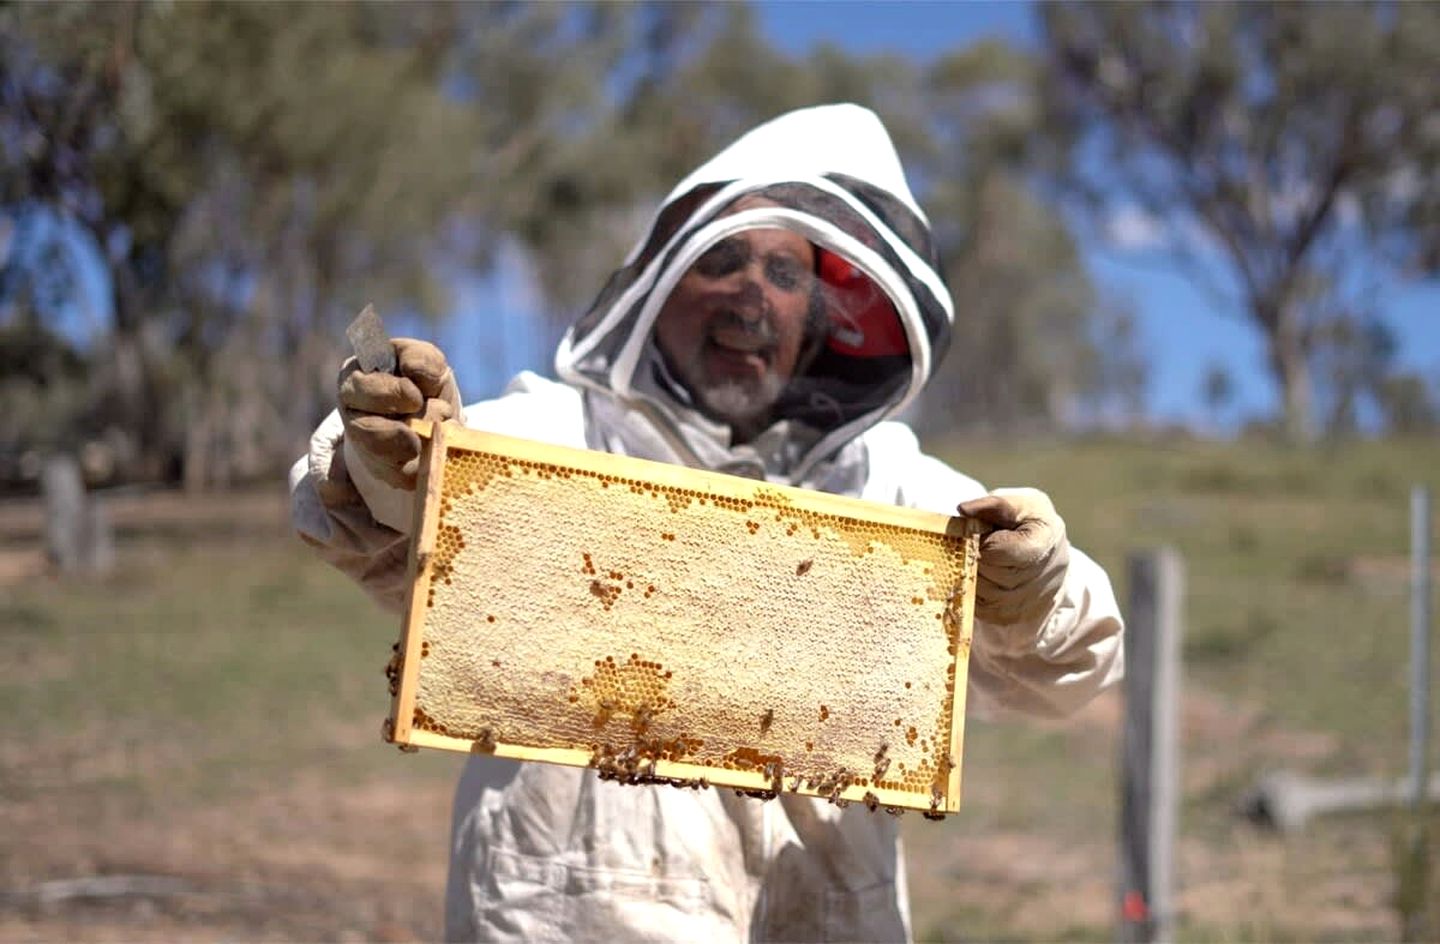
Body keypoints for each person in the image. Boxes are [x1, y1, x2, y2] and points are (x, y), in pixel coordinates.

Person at [290, 103, 1123, 942]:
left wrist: (1028, 591)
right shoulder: (559, 437)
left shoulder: (886, 486)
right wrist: (391, 464)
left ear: (825, 319)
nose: (752, 299)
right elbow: (375, 512)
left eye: (786, 275)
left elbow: (1072, 665)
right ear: (663, 281)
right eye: (723, 261)